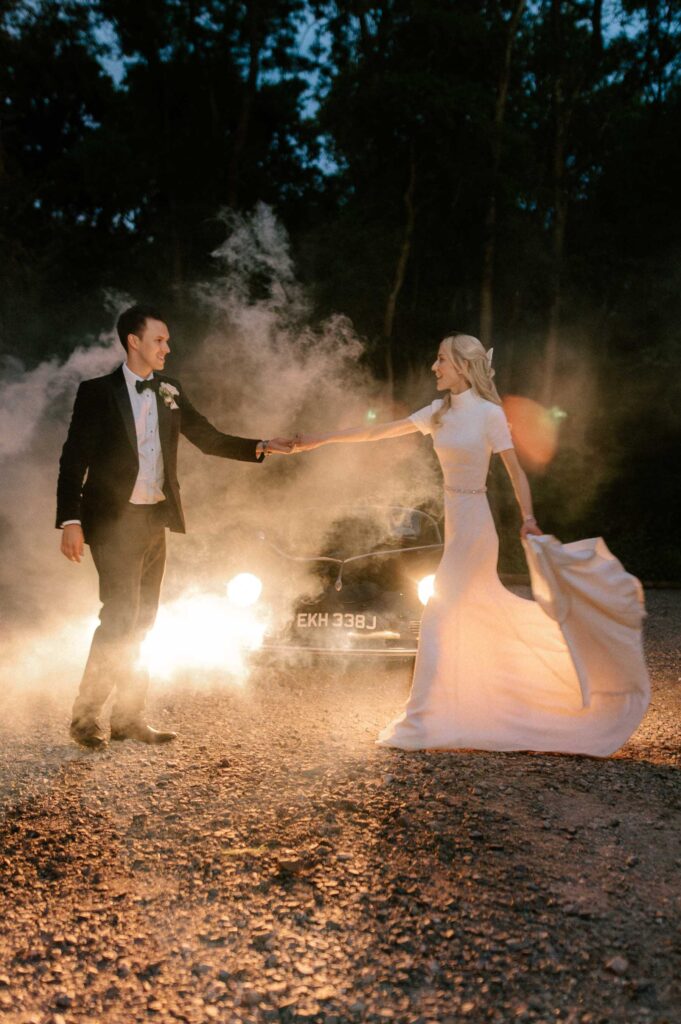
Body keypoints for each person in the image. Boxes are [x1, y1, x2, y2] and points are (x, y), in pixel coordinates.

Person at [290, 333, 649, 756]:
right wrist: (320, 439)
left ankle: (422, 722)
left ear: (463, 366)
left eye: (441, 360)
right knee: (472, 617)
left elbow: (515, 472)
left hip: (476, 529)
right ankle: (472, 708)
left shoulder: (489, 414)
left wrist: (528, 517)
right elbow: (379, 433)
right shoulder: (439, 414)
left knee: (438, 614)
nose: (434, 367)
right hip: (456, 523)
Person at [57, 304, 292, 750]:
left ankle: (128, 717)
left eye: (167, 340)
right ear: (134, 342)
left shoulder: (170, 390)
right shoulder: (97, 392)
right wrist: (70, 520)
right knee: (120, 617)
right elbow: (73, 461)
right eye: (160, 340)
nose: (168, 347)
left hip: (155, 520)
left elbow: (208, 437)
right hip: (112, 521)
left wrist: (262, 445)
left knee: (144, 621)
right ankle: (84, 718)